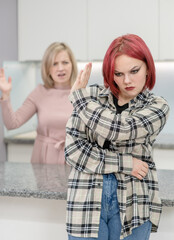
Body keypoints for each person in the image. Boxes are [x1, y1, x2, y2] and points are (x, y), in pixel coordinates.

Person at [65, 34, 170, 240]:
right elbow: (73, 151)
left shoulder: (158, 106)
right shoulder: (92, 97)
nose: (127, 80)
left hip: (134, 203)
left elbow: (122, 130)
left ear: (148, 67)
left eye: (134, 71)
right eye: (118, 73)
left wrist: (79, 98)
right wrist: (125, 163)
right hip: (85, 200)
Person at [0, 42, 77, 164]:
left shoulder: (81, 93)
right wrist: (5, 95)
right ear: (47, 69)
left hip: (74, 158)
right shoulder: (39, 93)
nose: (61, 68)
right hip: (43, 159)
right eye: (54, 63)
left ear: (72, 65)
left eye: (65, 62)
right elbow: (12, 124)